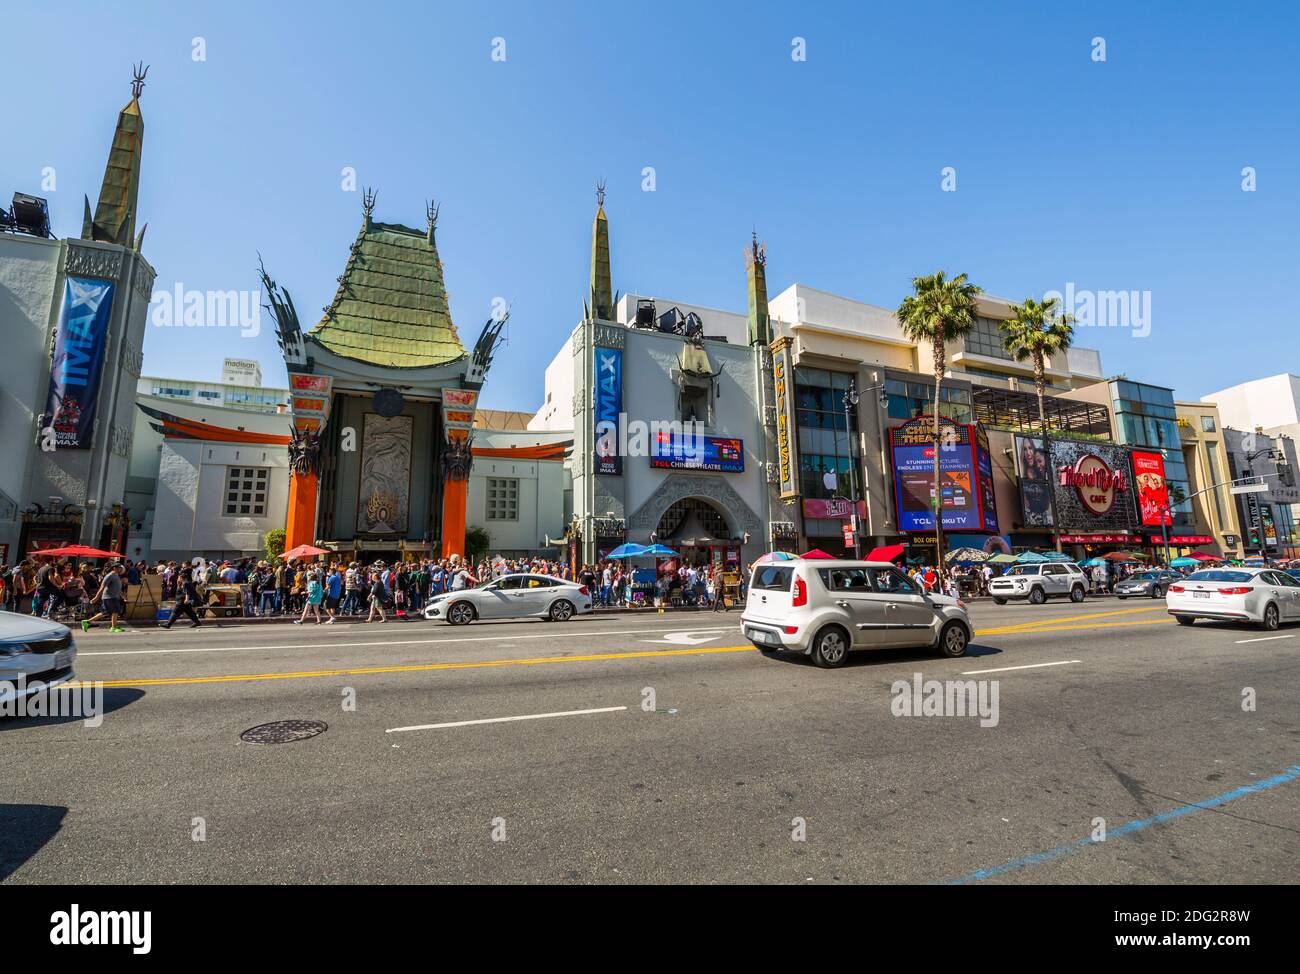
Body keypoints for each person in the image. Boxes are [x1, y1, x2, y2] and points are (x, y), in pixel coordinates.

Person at [82, 563, 127, 633]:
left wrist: (123, 596)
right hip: (109, 597)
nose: (121, 569)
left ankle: (87, 622)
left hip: (113, 597)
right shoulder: (109, 576)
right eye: (119, 568)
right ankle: (113, 627)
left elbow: (118, 588)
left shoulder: (116, 576)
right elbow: (102, 587)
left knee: (105, 612)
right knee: (116, 610)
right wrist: (96, 598)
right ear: (114, 568)